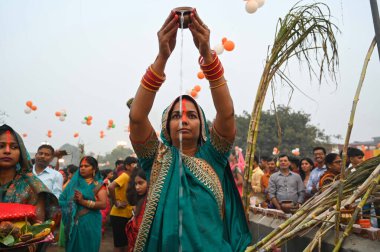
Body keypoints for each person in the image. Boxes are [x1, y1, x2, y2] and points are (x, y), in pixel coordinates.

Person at [128, 10, 251, 251]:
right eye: (176, 116)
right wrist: (162, 57)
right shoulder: (156, 158)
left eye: (192, 116)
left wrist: (207, 55)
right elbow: (137, 116)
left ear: (202, 127)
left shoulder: (213, 156)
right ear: (166, 128)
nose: (183, 120)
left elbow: (226, 115)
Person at [0, 124, 58, 250]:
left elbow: (38, 227)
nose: (7, 151)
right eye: (1, 146)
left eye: (14, 147)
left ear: (21, 152)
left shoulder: (33, 186)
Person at [59, 156, 107, 252]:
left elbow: (103, 204)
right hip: (73, 222)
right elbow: (62, 199)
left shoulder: (98, 185)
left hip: (91, 221)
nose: (83, 168)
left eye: (86, 166)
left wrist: (83, 202)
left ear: (94, 168)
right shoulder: (74, 183)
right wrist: (69, 204)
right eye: (81, 166)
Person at [108, 156, 137, 252]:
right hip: (118, 215)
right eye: (134, 164)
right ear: (127, 166)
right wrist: (116, 202)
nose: (136, 166)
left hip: (127, 214)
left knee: (126, 243)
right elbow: (111, 187)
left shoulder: (132, 178)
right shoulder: (124, 176)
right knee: (119, 244)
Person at [125, 167, 148, 252]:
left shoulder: (151, 202)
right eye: (135, 184)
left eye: (140, 183)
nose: (137, 187)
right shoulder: (139, 201)